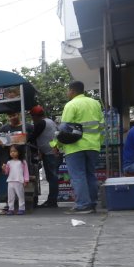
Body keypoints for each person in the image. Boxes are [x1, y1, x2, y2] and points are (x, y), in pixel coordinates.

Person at [56, 81, 104, 214]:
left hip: (75, 147)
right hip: (93, 145)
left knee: (78, 176)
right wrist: (98, 142)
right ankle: (92, 204)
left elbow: (64, 128)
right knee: (90, 175)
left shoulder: (71, 105)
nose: (67, 93)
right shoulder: (95, 103)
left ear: (72, 91)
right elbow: (102, 126)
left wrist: (56, 144)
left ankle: (83, 205)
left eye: (68, 90)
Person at [28, 106, 61, 207]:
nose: (32, 119)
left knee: (52, 177)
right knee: (53, 177)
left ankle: (52, 201)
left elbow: (33, 137)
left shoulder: (41, 123)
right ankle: (52, 200)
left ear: (35, 116)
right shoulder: (50, 121)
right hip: (54, 152)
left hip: (51, 154)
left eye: (32, 116)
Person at [2, 144, 30, 215]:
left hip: (19, 181)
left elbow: (26, 172)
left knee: (20, 196)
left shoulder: (22, 162)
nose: (12, 153)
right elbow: (6, 172)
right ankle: (11, 209)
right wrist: (4, 168)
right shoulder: (9, 162)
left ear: (19, 152)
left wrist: (26, 180)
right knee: (10, 197)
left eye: (14, 151)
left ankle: (21, 208)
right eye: (11, 151)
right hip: (10, 181)